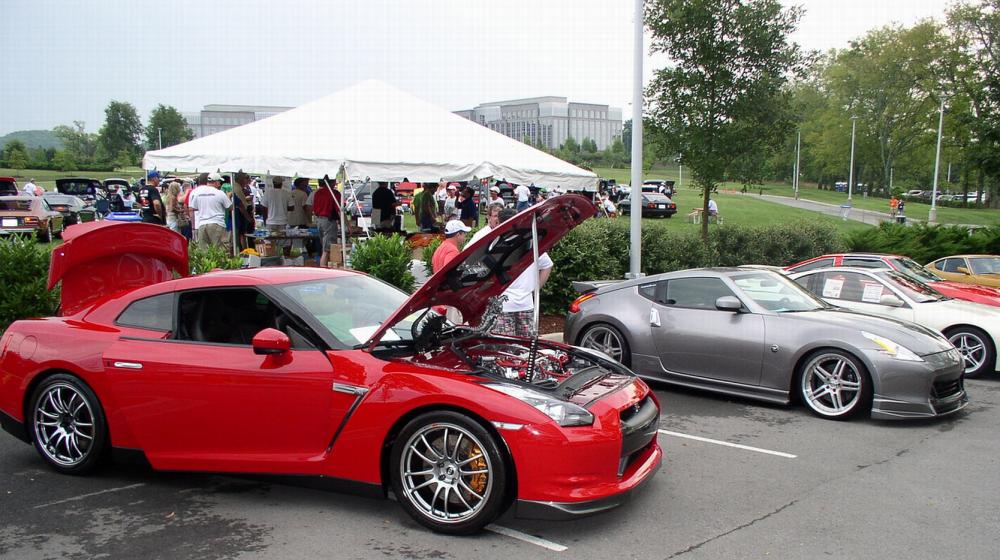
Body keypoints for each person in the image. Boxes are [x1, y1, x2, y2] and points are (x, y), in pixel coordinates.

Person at [476, 207, 553, 338]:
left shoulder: (492, 245)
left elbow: (482, 274)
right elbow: (548, 265)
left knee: (505, 349)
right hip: (526, 304)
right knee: (526, 348)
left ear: (499, 223)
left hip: (503, 306)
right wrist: (535, 289)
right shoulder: (530, 243)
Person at [189, 172, 233, 251]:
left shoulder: (198, 193)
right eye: (219, 182)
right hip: (217, 224)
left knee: (204, 252)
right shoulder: (220, 193)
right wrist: (228, 196)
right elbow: (230, 207)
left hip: (202, 224)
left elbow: (193, 208)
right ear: (216, 182)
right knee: (221, 251)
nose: (220, 184)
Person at [308, 175, 343, 268]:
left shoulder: (317, 193)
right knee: (328, 247)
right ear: (331, 182)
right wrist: (346, 224)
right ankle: (323, 266)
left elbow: (313, 208)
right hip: (329, 221)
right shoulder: (334, 193)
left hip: (319, 220)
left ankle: (325, 265)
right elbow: (340, 210)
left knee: (324, 243)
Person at [232, 172, 255, 250]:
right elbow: (240, 205)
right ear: (240, 179)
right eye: (245, 178)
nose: (246, 180)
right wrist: (248, 217)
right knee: (241, 234)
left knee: (243, 233)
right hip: (240, 214)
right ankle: (243, 251)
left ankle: (244, 250)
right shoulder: (236, 188)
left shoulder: (239, 187)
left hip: (242, 213)